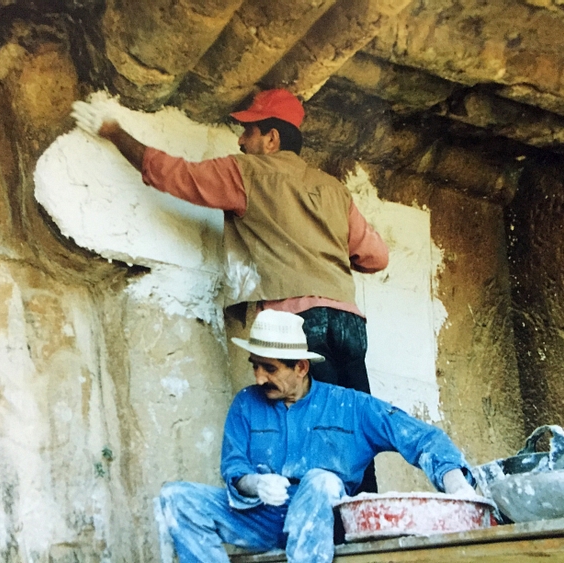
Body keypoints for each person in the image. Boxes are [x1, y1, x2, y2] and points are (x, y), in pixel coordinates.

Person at [71, 89, 388, 491]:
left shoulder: (247, 172)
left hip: (297, 326)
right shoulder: (333, 189)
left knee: (314, 434)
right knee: (357, 426)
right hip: (349, 323)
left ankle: (325, 538)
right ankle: (368, 528)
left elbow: (175, 175)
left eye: (248, 131)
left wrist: (114, 131)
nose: (241, 141)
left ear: (271, 139)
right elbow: (376, 257)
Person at [153, 310, 478, 563]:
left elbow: (422, 438)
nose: (258, 376)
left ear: (301, 368)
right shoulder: (246, 404)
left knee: (321, 481)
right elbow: (234, 467)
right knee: (176, 497)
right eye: (255, 366)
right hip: (264, 517)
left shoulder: (350, 405)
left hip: (325, 522)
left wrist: (457, 484)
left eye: (269, 368)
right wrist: (255, 484)